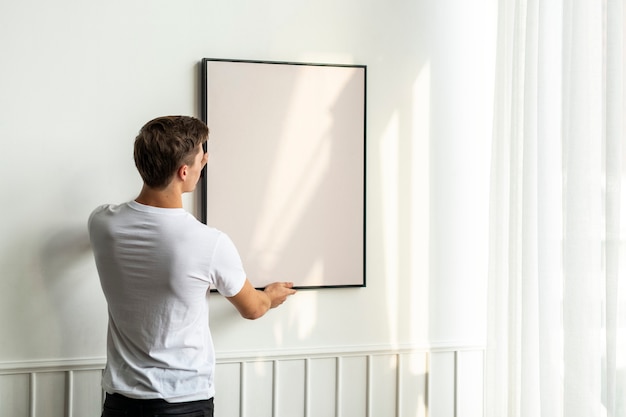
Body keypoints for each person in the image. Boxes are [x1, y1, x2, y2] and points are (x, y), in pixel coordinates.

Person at [88, 115, 296, 417]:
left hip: (121, 402)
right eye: (202, 154)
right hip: (183, 402)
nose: (206, 159)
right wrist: (272, 295)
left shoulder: (102, 223)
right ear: (183, 171)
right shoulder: (208, 243)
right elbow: (253, 308)